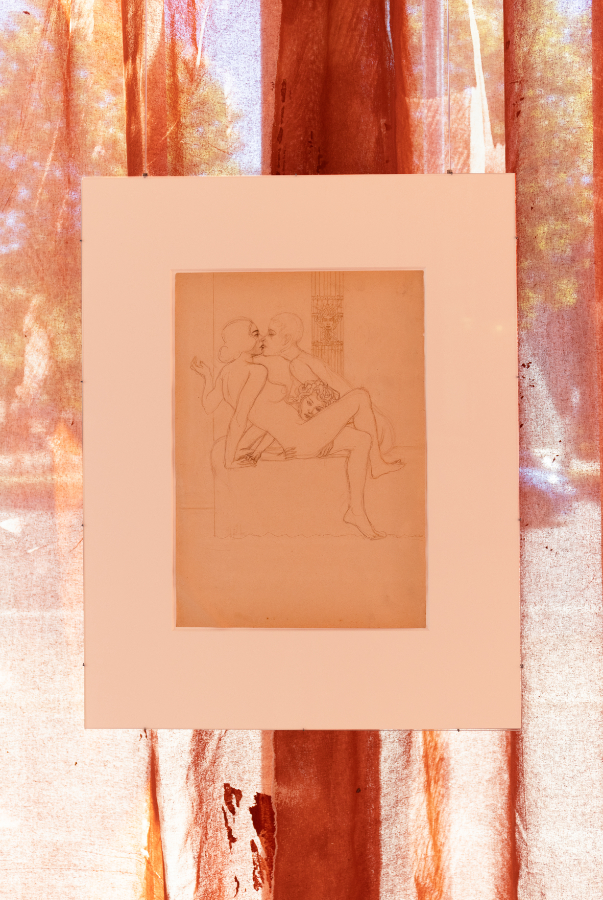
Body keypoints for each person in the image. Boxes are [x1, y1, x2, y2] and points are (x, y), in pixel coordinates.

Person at [224, 364, 403, 539]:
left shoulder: (281, 406)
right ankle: (377, 464)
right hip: (302, 439)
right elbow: (260, 434)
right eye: (309, 403)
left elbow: (272, 432)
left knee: (362, 439)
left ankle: (356, 511)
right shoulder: (262, 402)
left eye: (318, 409)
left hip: (309, 439)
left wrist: (327, 438)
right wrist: (261, 454)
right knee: (360, 396)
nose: (311, 411)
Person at [261, 312, 395, 450]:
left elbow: (329, 403)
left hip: (374, 432)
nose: (264, 339)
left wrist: (328, 435)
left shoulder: (297, 365)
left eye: (271, 334)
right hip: (374, 427)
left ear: (286, 339)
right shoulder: (301, 361)